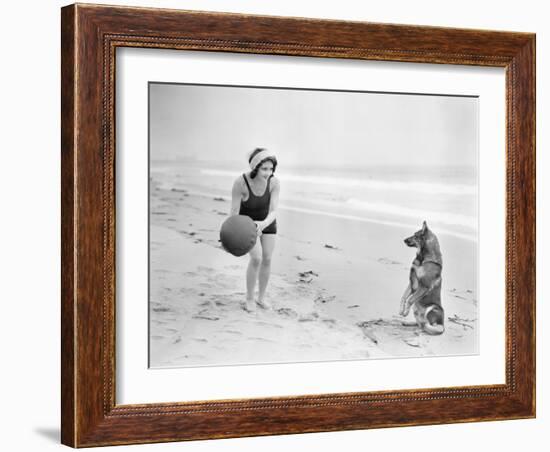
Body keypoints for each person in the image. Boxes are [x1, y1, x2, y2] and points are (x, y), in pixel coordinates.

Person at [230, 148, 280, 312]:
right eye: (264, 169)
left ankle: (261, 297)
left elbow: (273, 211)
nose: (268, 172)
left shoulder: (274, 182)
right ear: (255, 167)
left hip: (267, 223)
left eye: (271, 169)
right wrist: (233, 235)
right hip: (247, 225)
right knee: (257, 258)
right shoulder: (240, 183)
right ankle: (250, 298)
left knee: (267, 259)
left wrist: (263, 224)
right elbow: (234, 213)